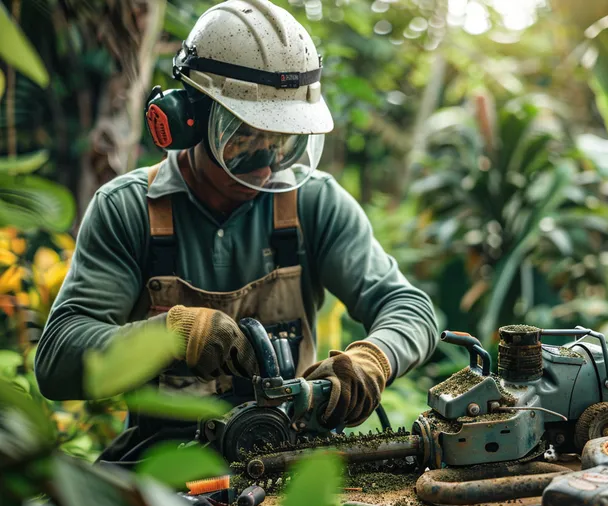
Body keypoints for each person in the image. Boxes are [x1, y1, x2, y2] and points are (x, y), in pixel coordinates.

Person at [34, 0, 438, 462]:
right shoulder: (128, 210)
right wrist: (174, 335)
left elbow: (410, 308)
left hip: (291, 456)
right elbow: (57, 361)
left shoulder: (314, 203)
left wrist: (373, 359)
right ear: (189, 119)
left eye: (281, 144)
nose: (266, 167)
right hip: (163, 461)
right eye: (244, 139)